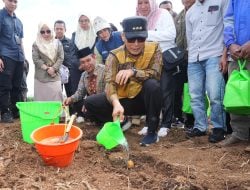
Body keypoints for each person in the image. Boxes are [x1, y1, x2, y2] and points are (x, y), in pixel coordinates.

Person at [84, 16, 163, 146]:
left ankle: (152, 132)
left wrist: (133, 72)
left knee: (153, 85)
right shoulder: (114, 55)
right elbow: (110, 83)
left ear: (146, 36)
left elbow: (156, 74)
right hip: (123, 100)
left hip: (144, 100)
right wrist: (115, 103)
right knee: (90, 102)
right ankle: (121, 122)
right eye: (131, 39)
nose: (136, 44)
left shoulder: (155, 48)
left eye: (141, 38)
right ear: (123, 37)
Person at [185, 0, 229, 143]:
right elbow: (190, 38)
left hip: (214, 55)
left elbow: (227, 26)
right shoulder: (190, 11)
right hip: (194, 59)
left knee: (215, 94)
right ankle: (200, 126)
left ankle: (219, 128)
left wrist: (224, 55)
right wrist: (190, 58)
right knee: (195, 95)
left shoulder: (222, 1)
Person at [136, 0, 177, 138]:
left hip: (163, 58)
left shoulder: (163, 14)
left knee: (165, 91)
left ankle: (166, 124)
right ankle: (149, 124)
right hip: (146, 61)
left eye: (146, 2)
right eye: (140, 3)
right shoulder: (137, 18)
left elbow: (171, 35)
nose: (143, 6)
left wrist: (147, 34)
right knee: (149, 92)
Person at [221, 0, 250, 152]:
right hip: (237, 54)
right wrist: (230, 44)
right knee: (237, 94)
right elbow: (228, 20)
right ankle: (240, 133)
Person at [70, 13, 98, 122]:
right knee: (78, 89)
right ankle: (80, 114)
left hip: (93, 66)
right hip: (78, 67)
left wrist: (91, 64)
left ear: (89, 21)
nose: (84, 23)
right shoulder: (74, 35)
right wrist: (81, 65)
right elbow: (72, 53)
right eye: (81, 21)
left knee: (94, 88)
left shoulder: (95, 35)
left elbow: (96, 52)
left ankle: (93, 113)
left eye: (86, 20)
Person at [63, 47, 105, 119]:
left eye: (88, 60)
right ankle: (96, 119)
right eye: (83, 62)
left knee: (88, 102)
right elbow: (80, 93)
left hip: (105, 103)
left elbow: (108, 93)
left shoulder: (104, 70)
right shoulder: (84, 75)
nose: (86, 64)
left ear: (94, 57)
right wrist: (70, 99)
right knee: (76, 103)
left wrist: (89, 102)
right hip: (92, 104)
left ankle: (100, 119)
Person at [0, 0, 25, 123]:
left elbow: (20, 40)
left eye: (15, 1)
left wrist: (24, 57)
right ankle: (5, 112)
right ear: (4, 1)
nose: (13, 3)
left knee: (17, 86)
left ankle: (15, 111)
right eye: (10, 0)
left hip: (19, 57)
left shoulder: (19, 21)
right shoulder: (0, 16)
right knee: (5, 86)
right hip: (5, 55)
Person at [173, 0, 195, 129]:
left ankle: (192, 120)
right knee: (178, 90)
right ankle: (179, 118)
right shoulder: (179, 17)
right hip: (180, 59)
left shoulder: (199, 11)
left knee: (193, 90)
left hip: (195, 58)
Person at [32, 22, 64, 102]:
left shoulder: (58, 43)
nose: (46, 34)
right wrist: (47, 69)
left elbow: (61, 58)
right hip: (40, 78)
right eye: (42, 32)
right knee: (41, 103)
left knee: (57, 101)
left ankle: (58, 115)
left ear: (52, 31)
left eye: (48, 31)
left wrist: (53, 68)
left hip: (55, 76)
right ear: (39, 32)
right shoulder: (36, 44)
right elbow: (36, 59)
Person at [54, 20, 72, 98]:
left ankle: (73, 111)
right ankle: (58, 111)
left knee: (71, 95)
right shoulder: (50, 42)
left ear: (65, 29)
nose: (59, 31)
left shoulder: (70, 42)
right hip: (55, 73)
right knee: (57, 96)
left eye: (61, 29)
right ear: (54, 29)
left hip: (69, 73)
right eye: (57, 29)